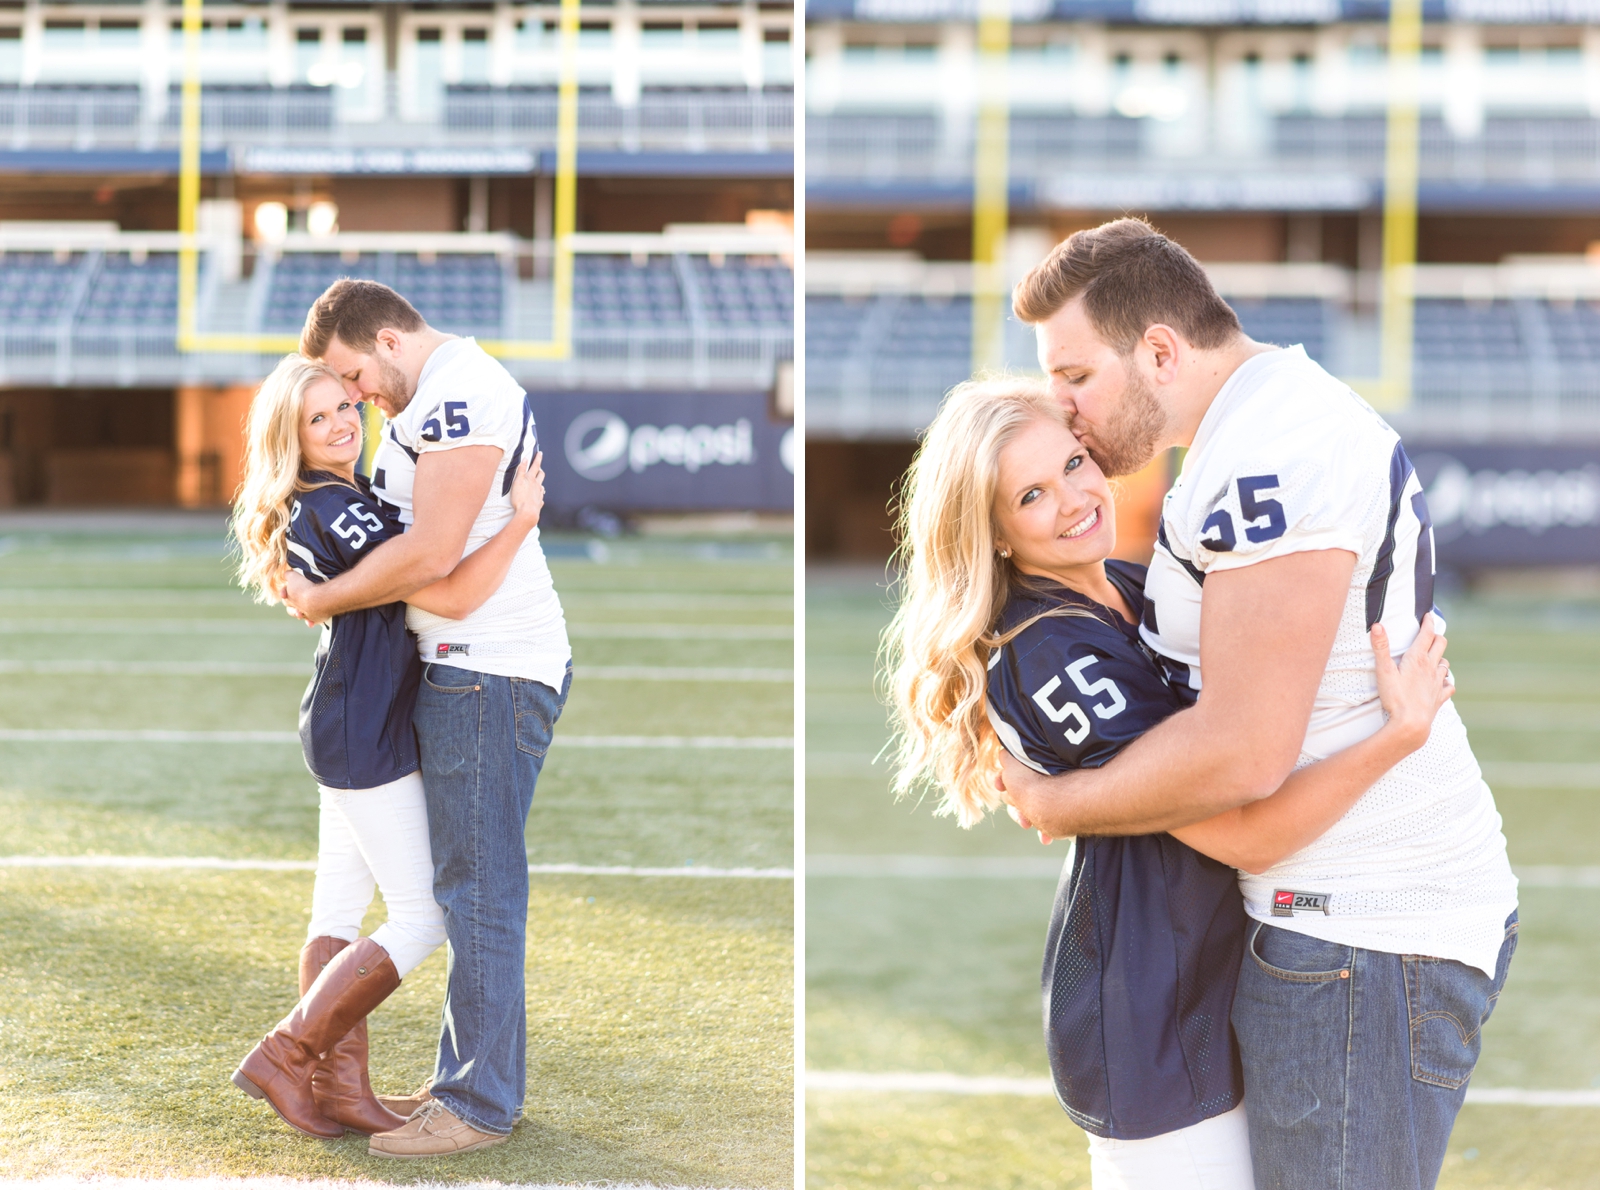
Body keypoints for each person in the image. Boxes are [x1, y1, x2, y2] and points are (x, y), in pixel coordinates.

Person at [996, 218, 1519, 1190]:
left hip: (1364, 926)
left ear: (1158, 349)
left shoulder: (1267, 455)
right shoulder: (1267, 421)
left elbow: (1242, 759)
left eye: (1072, 375)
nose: (1060, 408)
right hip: (1354, 920)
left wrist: (1055, 801)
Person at [882, 376, 1457, 1190]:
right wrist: (1397, 736)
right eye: (1033, 495)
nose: (1076, 497)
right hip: (1153, 1009)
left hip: (1219, 975)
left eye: (1075, 463)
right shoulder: (1048, 651)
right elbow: (1241, 826)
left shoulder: (1120, 581)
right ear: (996, 535)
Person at [280, 280, 572, 1159]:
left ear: (388, 342)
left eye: (353, 375)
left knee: (474, 889)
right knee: (460, 885)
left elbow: (435, 561)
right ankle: (458, 1079)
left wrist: (325, 594)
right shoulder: (433, 398)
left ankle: (477, 1103)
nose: (358, 397)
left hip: (486, 670)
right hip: (459, 668)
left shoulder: (458, 391)